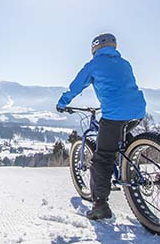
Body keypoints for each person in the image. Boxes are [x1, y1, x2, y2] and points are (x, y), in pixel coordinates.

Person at [56, 33, 146, 220]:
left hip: (114, 114)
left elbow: (76, 86)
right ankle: (128, 164)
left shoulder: (93, 65)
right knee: (122, 139)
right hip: (137, 112)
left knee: (102, 158)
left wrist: (63, 103)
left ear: (94, 48)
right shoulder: (125, 63)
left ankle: (100, 205)